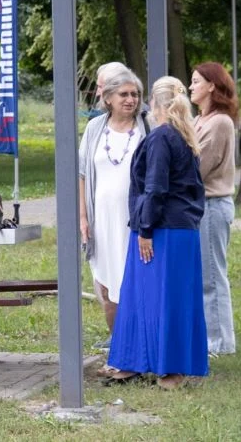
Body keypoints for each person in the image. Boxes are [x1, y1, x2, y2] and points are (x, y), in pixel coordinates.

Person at [106, 76, 207, 390]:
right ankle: (145, 363)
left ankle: (166, 368)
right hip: (181, 230)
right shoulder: (183, 134)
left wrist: (145, 229)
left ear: (155, 103)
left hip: (162, 229)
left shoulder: (162, 136)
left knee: (152, 298)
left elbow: (156, 187)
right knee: (171, 298)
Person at [77, 65, 146, 356]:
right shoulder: (95, 128)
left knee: (135, 284)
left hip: (135, 221)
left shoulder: (146, 126)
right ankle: (119, 347)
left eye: (135, 94)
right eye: (124, 94)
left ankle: (139, 348)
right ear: (108, 98)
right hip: (102, 220)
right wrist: (83, 217)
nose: (130, 100)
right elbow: (82, 174)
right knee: (105, 286)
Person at [190, 61, 238, 356]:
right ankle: (208, 336)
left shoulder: (220, 122)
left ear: (211, 85)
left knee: (211, 276)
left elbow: (198, 167)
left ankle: (220, 342)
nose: (191, 86)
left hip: (212, 204)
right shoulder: (199, 120)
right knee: (202, 276)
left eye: (196, 81)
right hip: (199, 206)